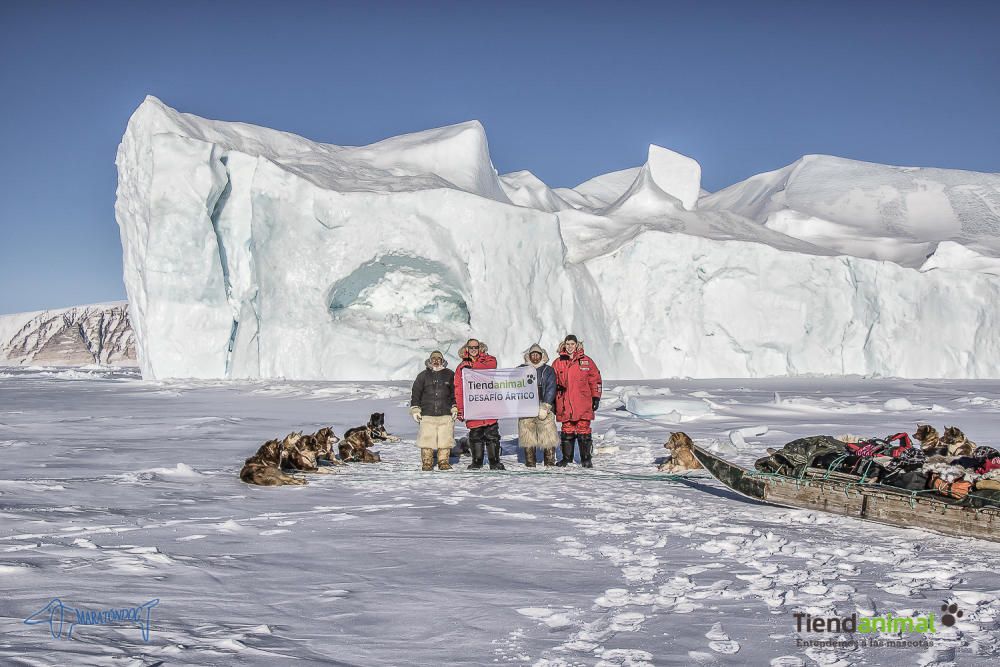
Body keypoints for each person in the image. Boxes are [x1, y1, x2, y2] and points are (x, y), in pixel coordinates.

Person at [552, 334, 603, 468]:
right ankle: (566, 458)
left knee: (583, 428)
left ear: (577, 345)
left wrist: (596, 397)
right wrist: (552, 400)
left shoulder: (586, 361)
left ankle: (586, 459)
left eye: (572, 344)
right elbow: (552, 381)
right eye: (567, 344)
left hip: (582, 401)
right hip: (564, 401)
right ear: (564, 345)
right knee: (567, 428)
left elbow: (595, 380)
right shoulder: (558, 362)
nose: (570, 347)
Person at [454, 338, 503, 470]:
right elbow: (459, 389)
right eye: (471, 347)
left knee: (492, 434)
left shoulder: (489, 360)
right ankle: (477, 461)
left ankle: (494, 462)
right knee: (475, 435)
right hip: (473, 406)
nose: (474, 350)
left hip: (489, 404)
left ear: (480, 348)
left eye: (476, 347)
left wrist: (471, 367)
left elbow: (490, 368)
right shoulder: (461, 367)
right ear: (467, 349)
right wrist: (461, 409)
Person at [410, 350, 458, 471]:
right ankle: (427, 462)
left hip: (446, 414)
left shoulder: (450, 374)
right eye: (434, 359)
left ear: (442, 361)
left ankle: (443, 462)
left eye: (438, 359)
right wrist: (415, 409)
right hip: (427, 414)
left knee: (445, 440)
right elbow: (416, 393)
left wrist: (454, 406)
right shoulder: (422, 376)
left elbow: (455, 393)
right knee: (426, 440)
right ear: (430, 361)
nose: (436, 361)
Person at [517, 343, 558, 467]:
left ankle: (549, 461)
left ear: (542, 355)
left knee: (548, 435)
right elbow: (512, 385)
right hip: (526, 408)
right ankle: (530, 462)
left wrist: (546, 406)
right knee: (527, 435)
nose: (535, 357)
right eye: (533, 354)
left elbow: (551, 388)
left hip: (544, 408)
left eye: (537, 354)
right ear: (528, 356)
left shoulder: (548, 370)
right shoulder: (520, 369)